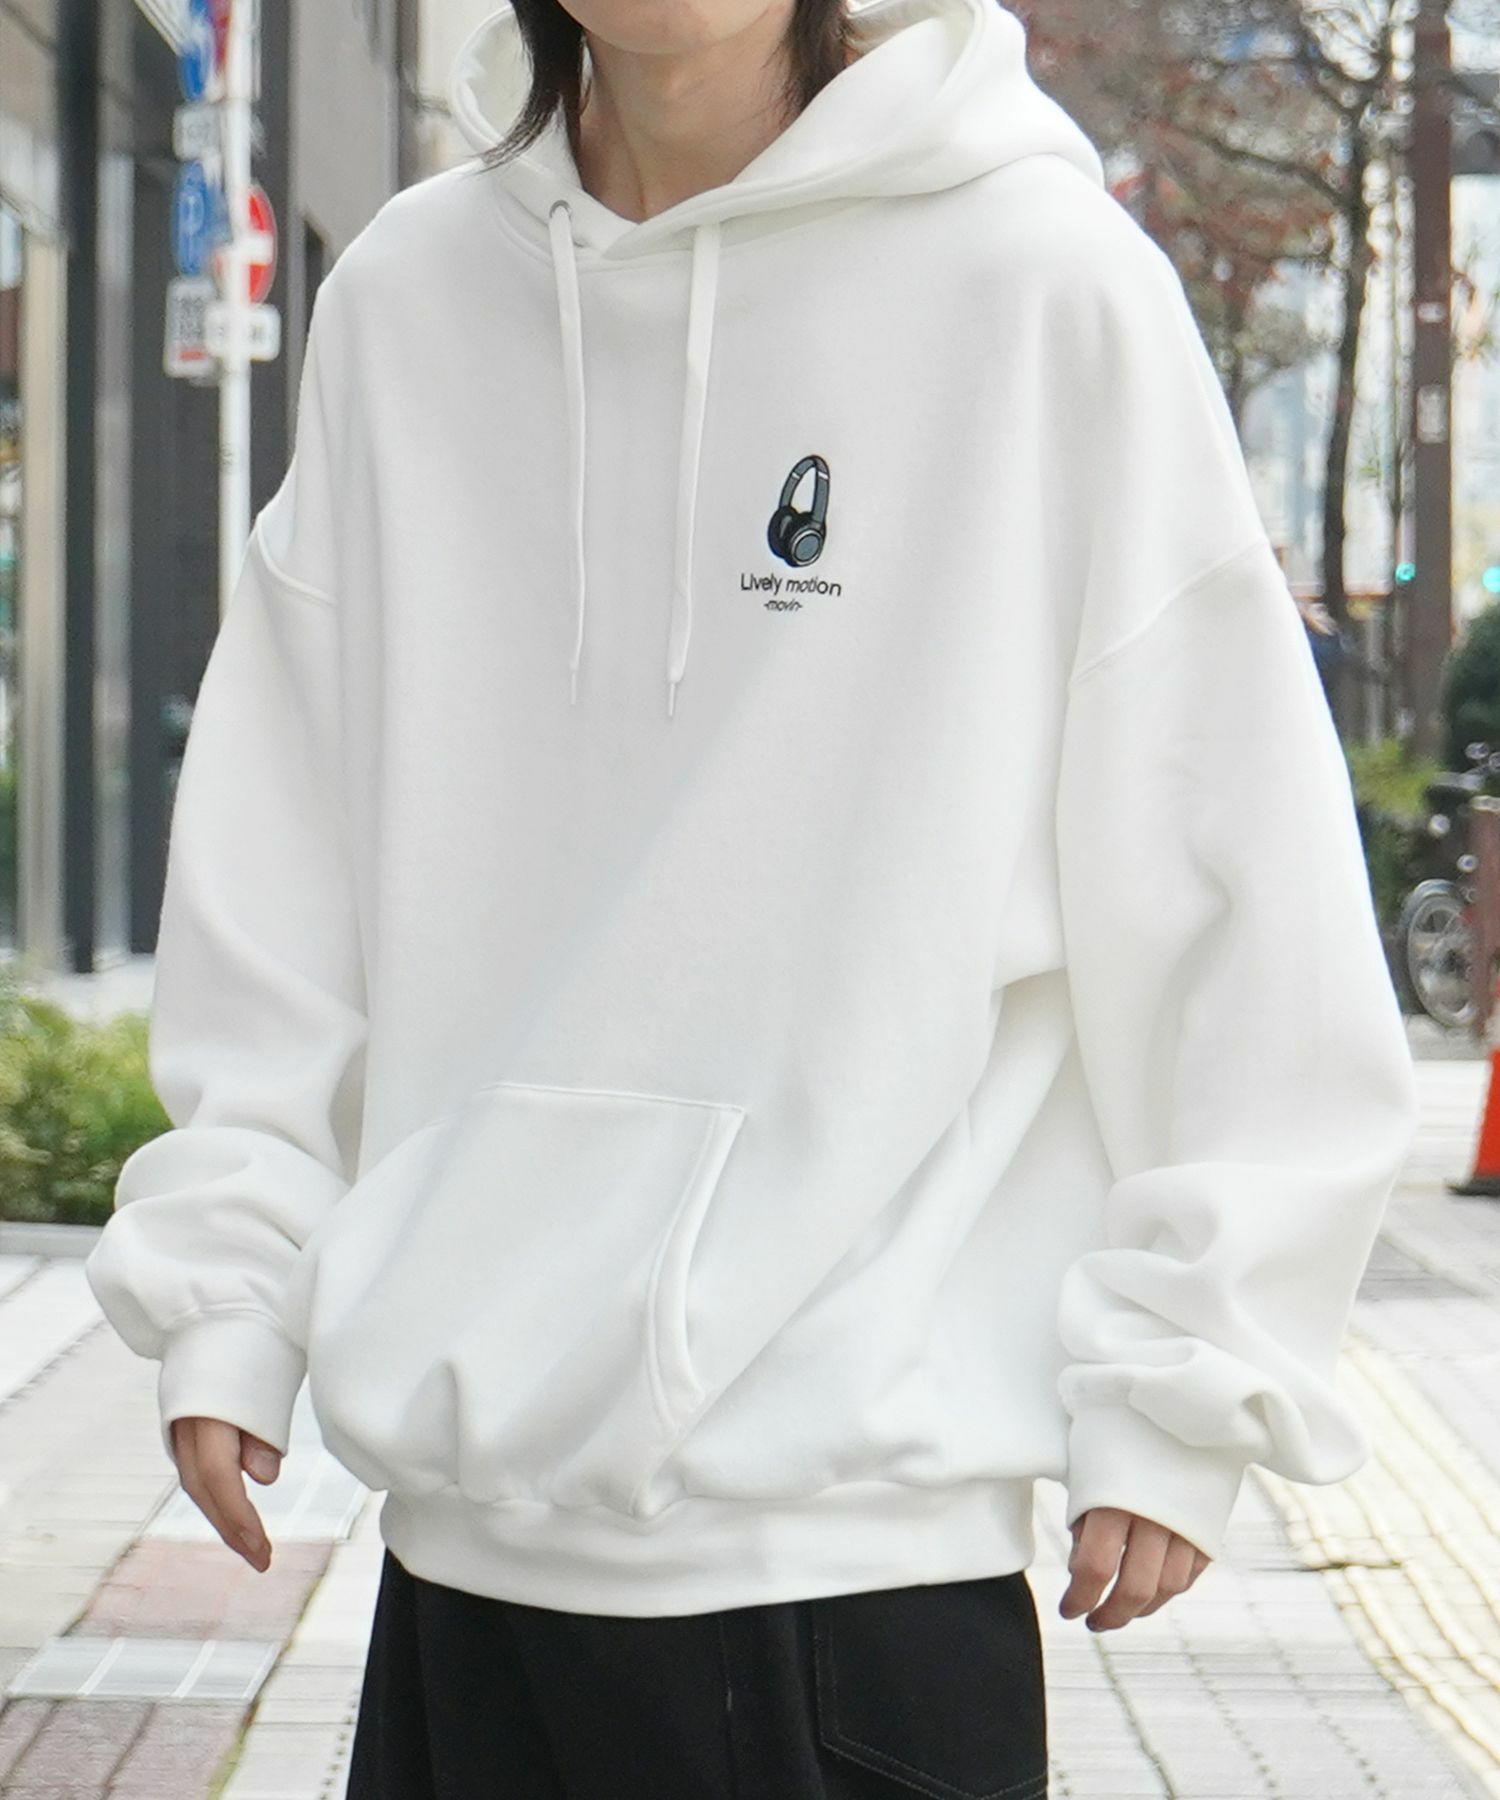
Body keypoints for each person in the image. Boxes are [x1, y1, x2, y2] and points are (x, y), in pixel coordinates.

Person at [83, 0, 1421, 1794]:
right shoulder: (406, 299)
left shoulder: (1042, 284)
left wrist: (1196, 1373)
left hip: (857, 1579)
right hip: (461, 1578)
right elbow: (285, 852)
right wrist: (233, 1277)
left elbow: (1225, 864)